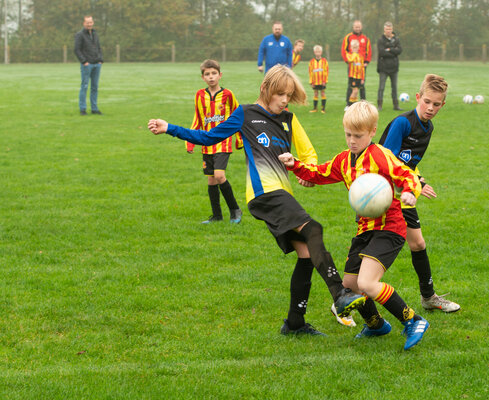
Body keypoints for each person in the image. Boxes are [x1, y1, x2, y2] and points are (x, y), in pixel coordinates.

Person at [148, 65, 365, 336]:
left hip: (282, 193)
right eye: (280, 94)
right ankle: (340, 293)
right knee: (314, 229)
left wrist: (304, 171)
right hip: (263, 194)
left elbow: (308, 153)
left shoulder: (289, 119)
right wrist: (170, 128)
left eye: (289, 95)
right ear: (266, 89)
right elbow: (207, 137)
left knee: (307, 254)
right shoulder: (246, 113)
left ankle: (295, 323)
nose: (285, 100)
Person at [279, 101, 429, 350]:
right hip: (364, 230)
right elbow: (319, 173)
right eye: (348, 134)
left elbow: (408, 175)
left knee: (368, 284)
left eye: (358, 136)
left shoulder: (381, 156)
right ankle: (376, 325)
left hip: (389, 227)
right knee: (349, 287)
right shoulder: (344, 161)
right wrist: (294, 164)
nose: (352, 140)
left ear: (372, 132)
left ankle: (413, 320)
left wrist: (411, 193)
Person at [379, 74, 461, 313]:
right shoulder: (402, 123)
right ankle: (344, 294)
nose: (431, 108)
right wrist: (415, 181)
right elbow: (387, 162)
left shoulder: (428, 127)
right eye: (427, 101)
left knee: (417, 244)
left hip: (405, 193)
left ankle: (428, 297)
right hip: (382, 193)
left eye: (436, 104)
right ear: (417, 97)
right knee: (377, 246)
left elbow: (410, 164)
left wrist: (418, 179)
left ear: (443, 105)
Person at [184, 59, 243, 224]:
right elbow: (198, 119)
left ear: (220, 75)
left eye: (214, 73)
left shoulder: (228, 95)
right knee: (211, 179)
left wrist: (239, 139)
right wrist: (190, 141)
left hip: (223, 143)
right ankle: (217, 216)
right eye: (207, 74)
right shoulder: (199, 96)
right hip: (206, 144)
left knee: (219, 175)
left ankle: (235, 210)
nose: (211, 77)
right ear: (203, 77)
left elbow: (238, 117)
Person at [74, 15, 103, 116]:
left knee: (94, 87)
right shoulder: (80, 35)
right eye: (87, 23)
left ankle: (94, 109)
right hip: (87, 65)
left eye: (91, 22)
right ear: (84, 23)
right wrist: (84, 61)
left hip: (97, 64)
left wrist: (100, 60)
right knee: (85, 86)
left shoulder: (95, 33)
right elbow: (77, 49)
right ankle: (83, 109)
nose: (89, 24)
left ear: (93, 22)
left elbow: (98, 47)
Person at [341, 20, 371, 103]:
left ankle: (363, 103)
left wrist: (366, 62)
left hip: (361, 66)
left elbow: (368, 51)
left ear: (361, 27)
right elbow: (344, 50)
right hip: (352, 66)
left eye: (359, 27)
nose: (357, 28)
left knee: (362, 85)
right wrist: (347, 61)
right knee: (351, 85)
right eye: (356, 27)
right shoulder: (348, 37)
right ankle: (348, 103)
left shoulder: (365, 38)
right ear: (353, 27)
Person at [377, 22, 403, 111]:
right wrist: (393, 51)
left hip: (394, 67)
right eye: (387, 29)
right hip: (383, 67)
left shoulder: (396, 39)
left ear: (392, 29)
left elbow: (399, 50)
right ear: (384, 29)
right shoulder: (381, 40)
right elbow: (381, 52)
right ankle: (379, 105)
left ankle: (396, 105)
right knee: (381, 87)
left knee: (394, 87)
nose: (388, 30)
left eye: (390, 29)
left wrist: (389, 50)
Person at [308, 45, 329, 114]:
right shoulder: (311, 62)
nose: (318, 53)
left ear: (321, 52)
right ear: (314, 52)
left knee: (322, 93)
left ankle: (323, 109)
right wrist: (311, 82)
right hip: (315, 81)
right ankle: (315, 108)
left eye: (319, 51)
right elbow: (310, 72)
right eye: (316, 52)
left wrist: (325, 81)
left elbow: (326, 71)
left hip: (322, 81)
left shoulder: (324, 61)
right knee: (315, 93)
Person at [344, 40, 365, 110]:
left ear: (358, 48)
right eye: (353, 47)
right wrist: (354, 54)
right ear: (351, 48)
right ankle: (349, 105)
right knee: (354, 91)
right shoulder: (349, 55)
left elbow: (362, 68)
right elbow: (350, 60)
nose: (355, 49)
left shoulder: (360, 57)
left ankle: (354, 106)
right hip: (352, 76)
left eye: (356, 47)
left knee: (356, 91)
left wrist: (362, 78)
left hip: (359, 77)